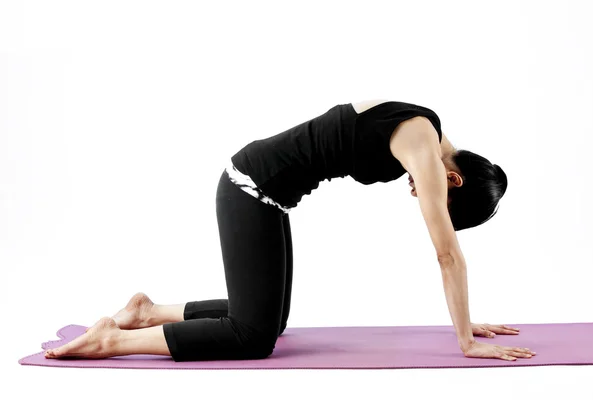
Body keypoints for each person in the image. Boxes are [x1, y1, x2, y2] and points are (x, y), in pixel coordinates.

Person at [44, 100, 536, 362]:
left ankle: (147, 312)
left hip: (267, 194)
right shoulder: (425, 148)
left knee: (267, 322)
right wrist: (466, 339)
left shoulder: (425, 125)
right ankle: (112, 340)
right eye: (448, 204)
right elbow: (446, 253)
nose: (422, 196)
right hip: (249, 188)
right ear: (453, 179)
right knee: (251, 337)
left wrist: (464, 319)